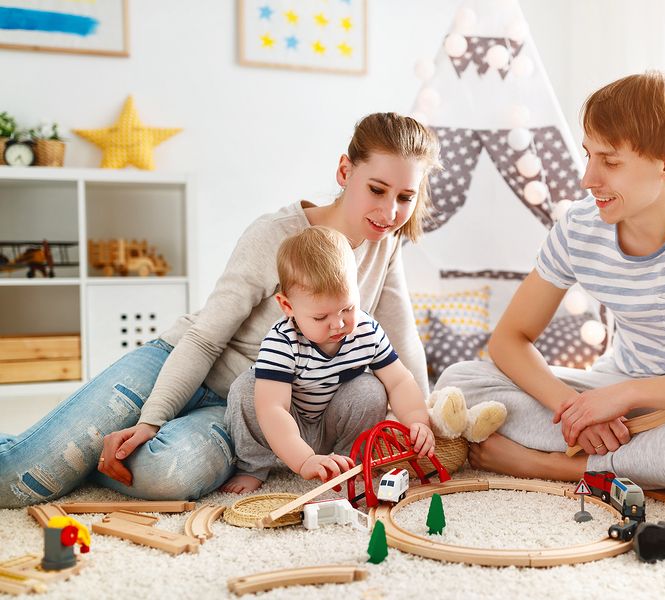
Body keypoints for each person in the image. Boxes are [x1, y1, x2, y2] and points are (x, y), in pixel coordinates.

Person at [0, 112, 440, 507]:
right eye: (377, 189)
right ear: (345, 171)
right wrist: (153, 419)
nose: (389, 211)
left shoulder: (386, 247)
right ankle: (86, 451)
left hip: (244, 405)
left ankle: (92, 460)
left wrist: (426, 427)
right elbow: (206, 337)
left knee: (165, 474)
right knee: (18, 478)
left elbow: (402, 342)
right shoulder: (275, 234)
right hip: (178, 361)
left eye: (405, 197)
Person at [436, 71, 665, 508]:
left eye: (610, 162)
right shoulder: (579, 227)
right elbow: (509, 341)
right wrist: (575, 410)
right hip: (621, 405)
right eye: (588, 155)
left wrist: (631, 393)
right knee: (460, 381)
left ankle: (561, 467)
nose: (588, 178)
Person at [221, 226, 435, 494]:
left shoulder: (366, 331)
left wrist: (417, 420)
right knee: (247, 388)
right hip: (287, 423)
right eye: (321, 317)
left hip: (331, 423)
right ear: (288, 307)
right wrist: (304, 460)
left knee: (371, 388)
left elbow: (400, 381)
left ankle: (349, 460)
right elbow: (272, 410)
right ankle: (252, 467)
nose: (338, 324)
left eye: (348, 308)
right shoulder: (282, 341)